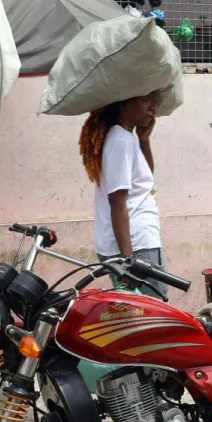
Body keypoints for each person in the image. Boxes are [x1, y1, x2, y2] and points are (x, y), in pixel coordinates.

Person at [81, 92, 168, 298]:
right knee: (152, 309)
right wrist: (127, 261)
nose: (152, 107)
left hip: (133, 245)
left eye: (152, 101)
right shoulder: (121, 140)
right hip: (136, 246)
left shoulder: (124, 138)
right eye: (145, 101)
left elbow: (145, 179)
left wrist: (144, 140)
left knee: (136, 310)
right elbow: (117, 201)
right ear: (123, 102)